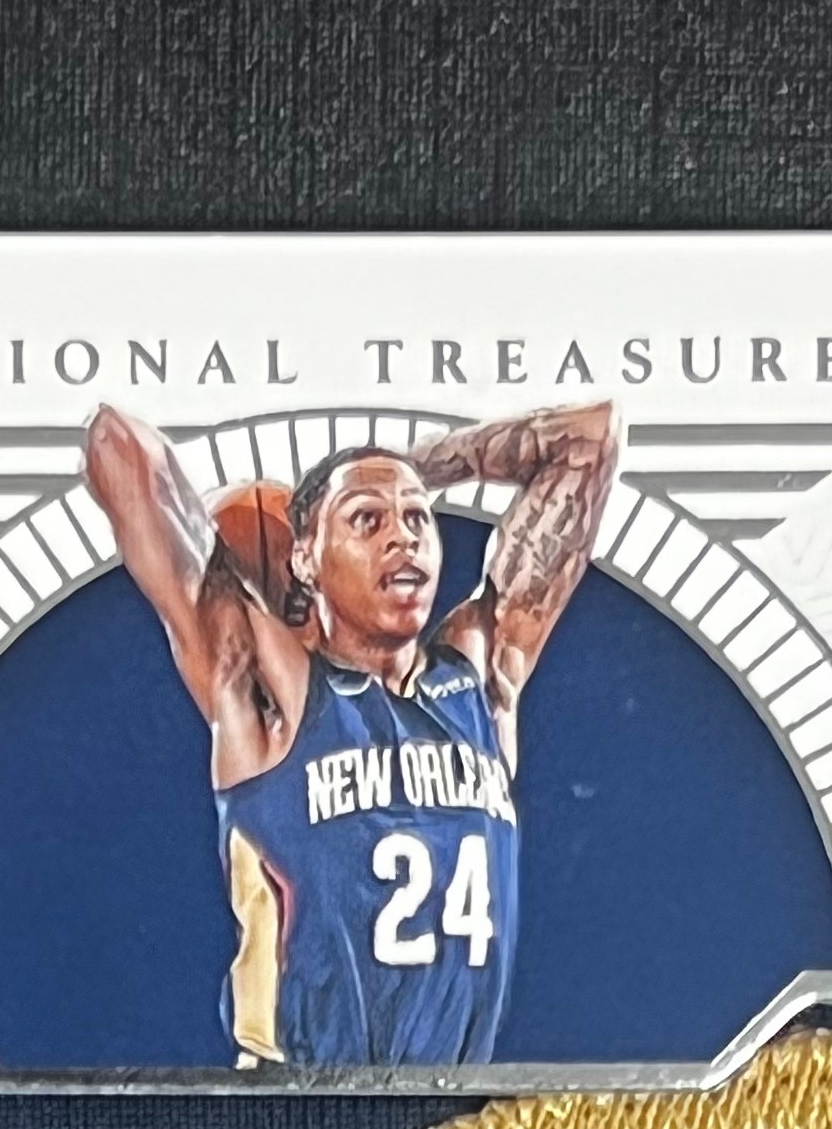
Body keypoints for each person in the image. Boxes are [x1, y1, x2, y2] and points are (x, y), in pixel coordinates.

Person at [81, 398, 623, 1064]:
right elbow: (117, 443)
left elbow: (591, 438)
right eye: (367, 520)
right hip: (293, 1100)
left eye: (417, 519)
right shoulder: (269, 689)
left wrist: (409, 468)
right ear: (304, 560)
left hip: (451, 1102)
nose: (403, 538)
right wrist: (288, 505)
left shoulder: (482, 679)